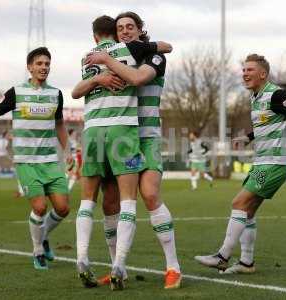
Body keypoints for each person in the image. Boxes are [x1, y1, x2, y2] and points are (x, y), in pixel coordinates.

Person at [194, 54, 286, 274]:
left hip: (273, 164)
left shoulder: (277, 94)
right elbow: (267, 123)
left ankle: (222, 256)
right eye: (243, 70)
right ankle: (246, 263)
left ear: (263, 74)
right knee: (248, 211)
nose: (244, 74)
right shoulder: (256, 96)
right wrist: (249, 137)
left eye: (249, 70)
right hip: (262, 162)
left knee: (239, 203)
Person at [71, 15, 172, 290]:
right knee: (110, 204)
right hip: (120, 132)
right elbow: (77, 90)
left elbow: (141, 77)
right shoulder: (119, 53)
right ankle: (119, 267)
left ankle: (173, 266)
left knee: (149, 195)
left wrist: (105, 64)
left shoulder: (153, 56)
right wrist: (100, 76)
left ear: (140, 30)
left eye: (130, 27)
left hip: (145, 135)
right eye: (120, 28)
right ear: (114, 34)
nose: (125, 32)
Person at [0, 47, 72, 270]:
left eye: (47, 64)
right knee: (39, 207)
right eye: (39, 63)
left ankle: (43, 235)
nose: (44, 67)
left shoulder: (55, 94)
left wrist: (67, 152)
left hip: (50, 161)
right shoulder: (16, 92)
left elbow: (59, 124)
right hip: (26, 162)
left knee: (63, 208)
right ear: (29, 67)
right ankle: (38, 250)